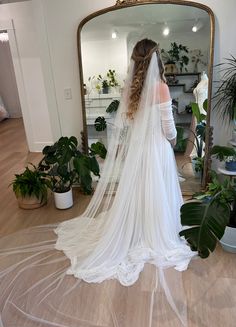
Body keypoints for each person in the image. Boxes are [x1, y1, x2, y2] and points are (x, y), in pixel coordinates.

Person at [55, 38, 196, 285]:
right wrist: (173, 143)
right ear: (156, 58)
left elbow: (129, 124)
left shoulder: (132, 88)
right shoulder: (161, 87)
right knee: (157, 190)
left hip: (139, 150)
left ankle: (138, 227)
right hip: (157, 149)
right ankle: (155, 231)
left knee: (141, 189)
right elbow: (169, 128)